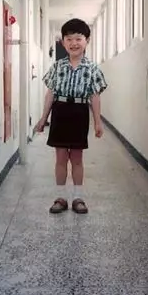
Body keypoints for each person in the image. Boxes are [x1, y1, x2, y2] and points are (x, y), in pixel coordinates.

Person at [34, 18, 107, 214]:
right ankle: (60, 197)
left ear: (87, 41)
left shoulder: (92, 68)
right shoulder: (57, 66)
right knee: (60, 157)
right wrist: (43, 118)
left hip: (79, 113)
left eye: (78, 39)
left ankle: (77, 198)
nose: (74, 43)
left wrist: (98, 122)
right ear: (63, 42)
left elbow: (95, 97)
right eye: (69, 39)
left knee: (76, 157)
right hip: (60, 111)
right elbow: (50, 94)